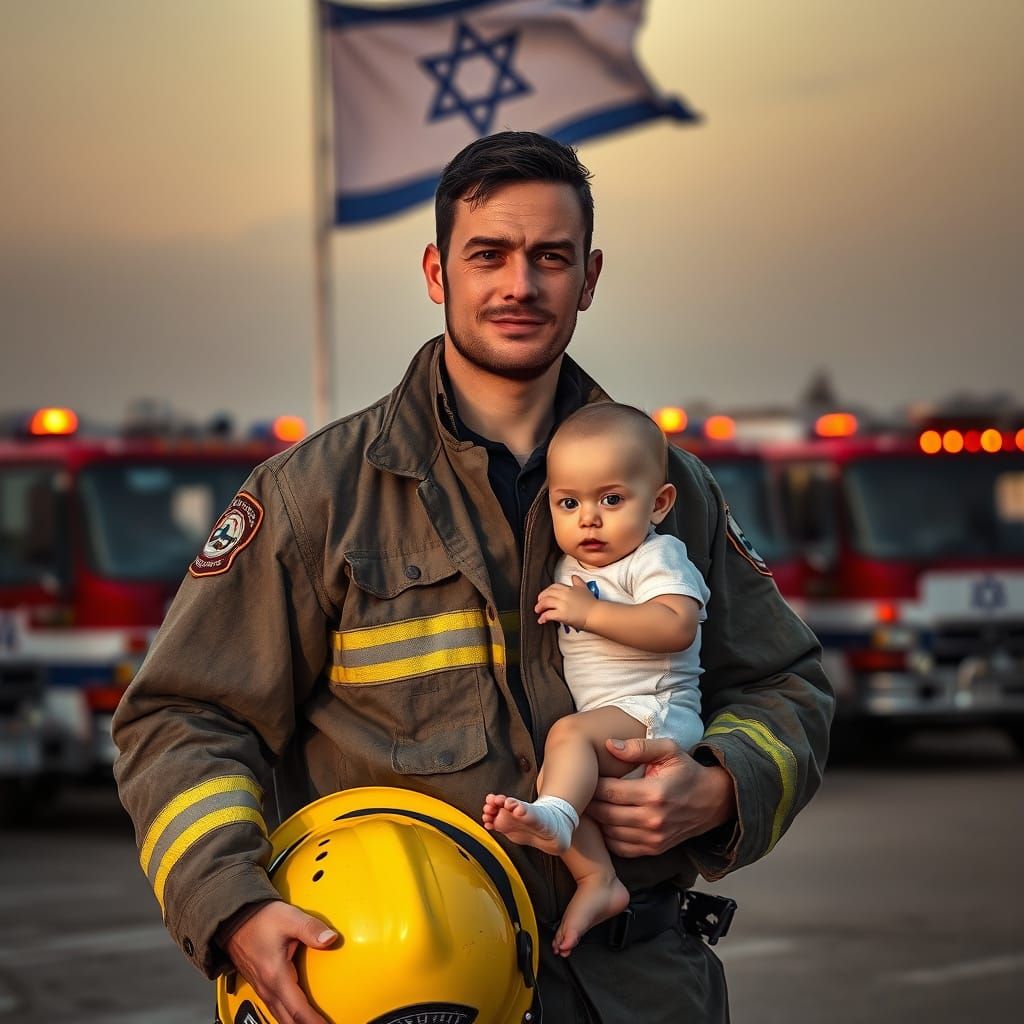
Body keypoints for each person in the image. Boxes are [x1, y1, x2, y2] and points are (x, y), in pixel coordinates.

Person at [112, 131, 834, 1024]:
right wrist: (233, 903)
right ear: (435, 270)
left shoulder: (670, 488)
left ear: (591, 276)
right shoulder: (316, 498)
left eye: (551, 258)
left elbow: (784, 686)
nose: (519, 285)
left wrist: (723, 786)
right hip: (408, 996)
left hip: (639, 990)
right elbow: (184, 715)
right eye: (487, 254)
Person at [483, 402, 710, 956]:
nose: (589, 518)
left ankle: (559, 824)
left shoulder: (657, 557)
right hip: (617, 713)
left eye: (611, 500)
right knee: (558, 770)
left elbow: (676, 625)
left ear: (658, 504)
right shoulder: (573, 568)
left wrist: (588, 614)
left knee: (567, 742)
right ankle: (597, 879)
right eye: (569, 503)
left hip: (654, 710)